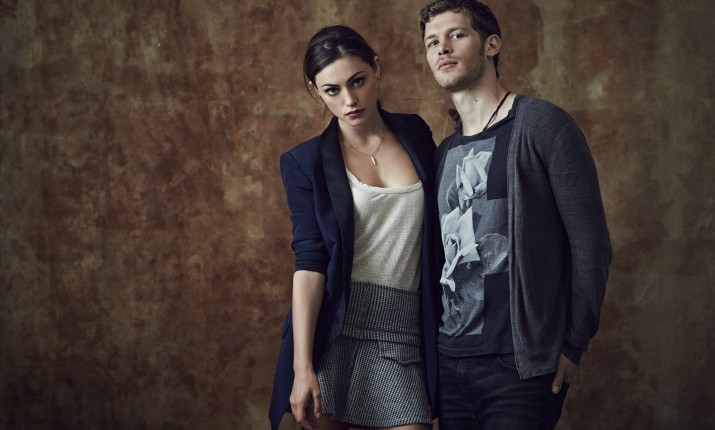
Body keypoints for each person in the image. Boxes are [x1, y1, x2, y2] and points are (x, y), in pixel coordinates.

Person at [418, 1, 612, 429]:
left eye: (456, 35)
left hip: (520, 366)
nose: (442, 48)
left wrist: (573, 344)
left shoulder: (544, 125)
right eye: (432, 42)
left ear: (492, 45)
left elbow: (590, 244)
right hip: (450, 363)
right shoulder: (442, 153)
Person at [268, 25, 440, 430]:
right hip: (334, 331)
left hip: (403, 329)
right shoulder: (304, 162)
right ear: (316, 91)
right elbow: (310, 262)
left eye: (357, 81)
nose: (349, 100)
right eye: (332, 90)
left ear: (376, 69)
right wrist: (302, 367)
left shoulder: (416, 133)